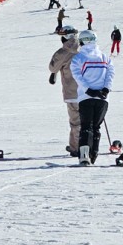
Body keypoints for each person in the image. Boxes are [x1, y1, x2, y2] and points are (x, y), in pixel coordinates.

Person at [70, 30, 114, 165]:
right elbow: (110, 74)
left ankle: (84, 155)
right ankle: (94, 154)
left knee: (86, 127)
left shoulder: (78, 58)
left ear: (82, 41)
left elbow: (78, 77)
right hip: (102, 98)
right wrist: (106, 89)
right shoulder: (105, 57)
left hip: (86, 98)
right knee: (96, 127)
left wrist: (88, 90)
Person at [49, 25, 81, 156]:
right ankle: (88, 145)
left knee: (76, 122)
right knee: (88, 120)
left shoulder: (63, 52)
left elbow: (52, 67)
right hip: (89, 91)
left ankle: (77, 148)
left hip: (72, 92)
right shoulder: (84, 48)